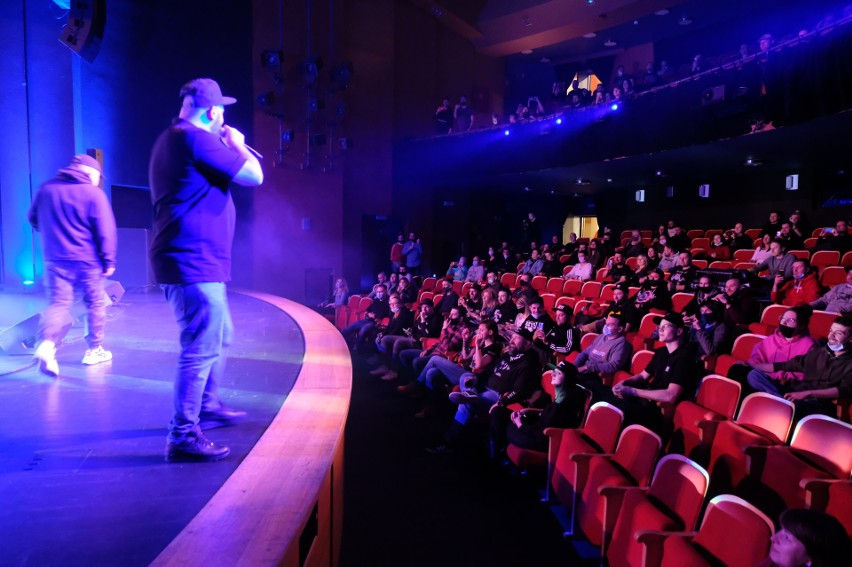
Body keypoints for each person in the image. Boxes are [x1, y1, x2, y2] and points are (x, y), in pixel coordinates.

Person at [149, 78, 264, 462]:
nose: (224, 119)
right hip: (192, 260)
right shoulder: (198, 139)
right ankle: (183, 434)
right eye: (222, 113)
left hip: (190, 259)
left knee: (221, 334)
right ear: (213, 112)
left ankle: (208, 405)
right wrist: (237, 141)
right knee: (200, 346)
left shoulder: (172, 138)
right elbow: (254, 176)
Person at [28, 154, 117, 377]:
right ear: (91, 173)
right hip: (88, 260)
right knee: (95, 303)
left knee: (58, 304)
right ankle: (94, 350)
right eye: (98, 176)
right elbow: (106, 230)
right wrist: (109, 260)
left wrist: (52, 234)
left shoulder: (46, 189)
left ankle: (46, 346)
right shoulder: (93, 193)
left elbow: (33, 218)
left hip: (55, 259)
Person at [592, 312, 697, 437]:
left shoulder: (684, 358)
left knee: (615, 408)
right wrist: (623, 383)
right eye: (659, 327)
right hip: (644, 399)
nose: (660, 330)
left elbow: (671, 395)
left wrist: (631, 391)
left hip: (657, 410)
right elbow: (642, 376)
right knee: (599, 392)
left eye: (665, 327)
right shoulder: (661, 352)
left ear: (679, 331)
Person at [749, 315, 852, 418]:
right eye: (830, 331)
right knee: (755, 375)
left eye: (839, 333)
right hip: (794, 393)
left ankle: (781, 403)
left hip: (817, 403)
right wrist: (751, 365)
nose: (831, 336)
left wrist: (808, 393)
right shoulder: (820, 352)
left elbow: (844, 390)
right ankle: (782, 403)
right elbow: (785, 365)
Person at [489, 361, 588, 458]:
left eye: (558, 373)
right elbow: (547, 414)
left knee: (508, 426)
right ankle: (499, 450)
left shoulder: (563, 405)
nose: (553, 373)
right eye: (554, 371)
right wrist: (528, 411)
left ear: (568, 379)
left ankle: (499, 454)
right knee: (498, 412)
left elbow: (541, 435)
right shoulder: (561, 396)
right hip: (536, 426)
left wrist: (520, 424)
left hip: (540, 441)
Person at [738, 305, 816, 391]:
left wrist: (774, 375)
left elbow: (802, 374)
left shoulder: (809, 345)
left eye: (790, 320)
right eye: (783, 318)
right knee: (738, 368)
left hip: (789, 385)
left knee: (754, 376)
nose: (784, 322)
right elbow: (756, 357)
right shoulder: (772, 339)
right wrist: (751, 365)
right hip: (766, 378)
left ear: (801, 325)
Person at [758, 508, 850, 567]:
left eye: (786, 538)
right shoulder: (772, 563)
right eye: (781, 530)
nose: (773, 538)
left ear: (811, 558)